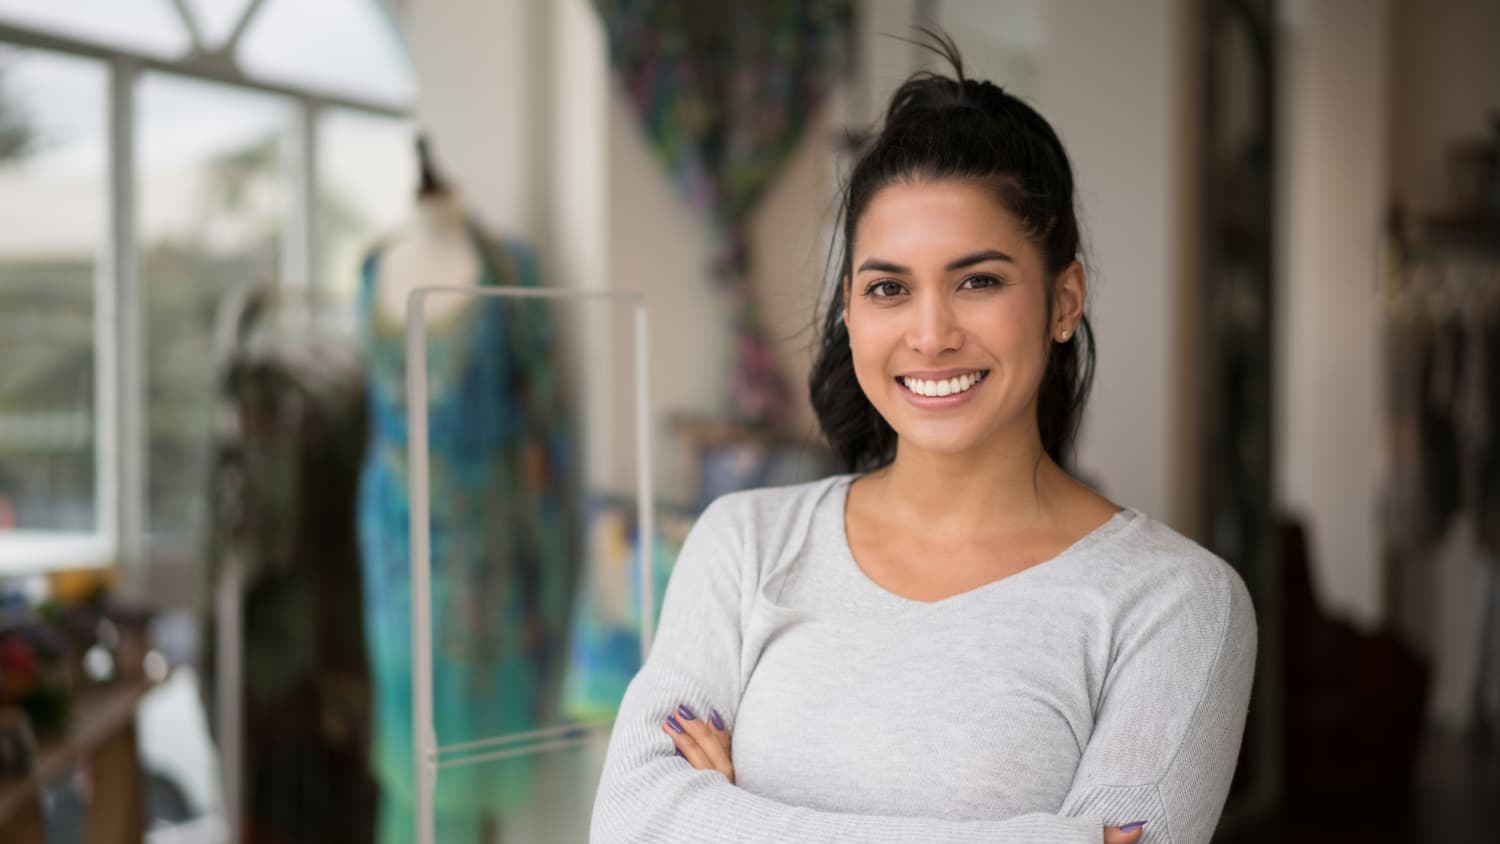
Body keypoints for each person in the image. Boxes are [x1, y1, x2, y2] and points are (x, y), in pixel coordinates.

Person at [590, 34, 1256, 844]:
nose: (930, 333)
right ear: (849, 309)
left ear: (1064, 300)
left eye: (978, 281)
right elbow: (632, 823)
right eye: (889, 288)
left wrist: (728, 816)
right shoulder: (742, 545)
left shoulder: (1177, 604)